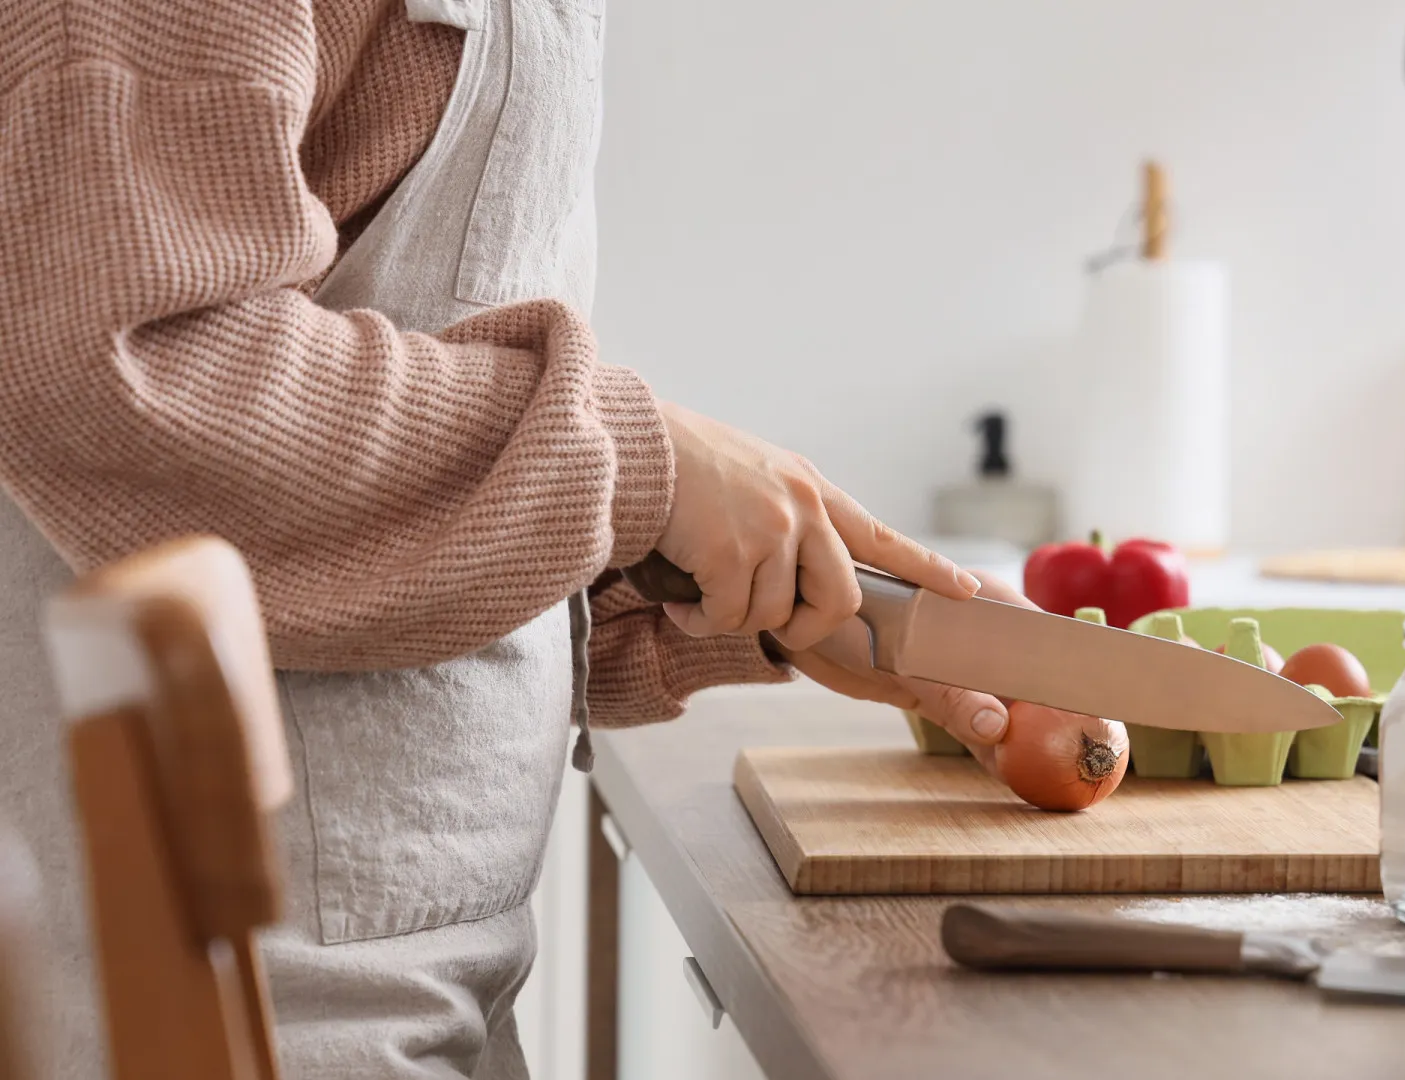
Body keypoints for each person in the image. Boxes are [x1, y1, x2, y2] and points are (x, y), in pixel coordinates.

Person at [0, 1, 1017, 1076]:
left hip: (423, 961)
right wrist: (633, 469)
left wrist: (700, 585)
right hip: (254, 988)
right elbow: (130, 365)